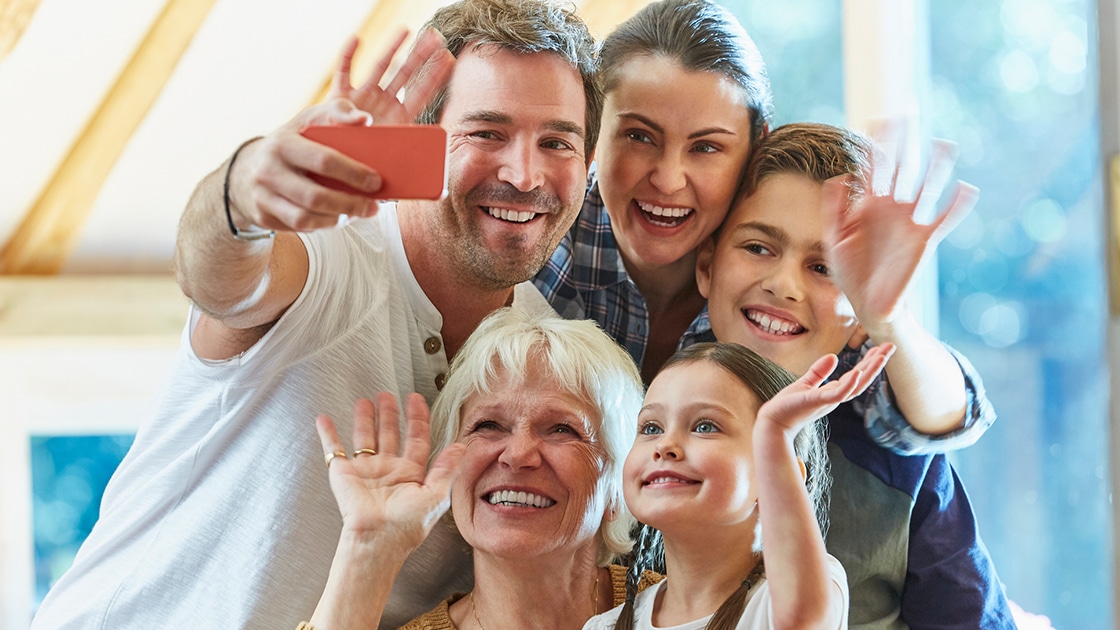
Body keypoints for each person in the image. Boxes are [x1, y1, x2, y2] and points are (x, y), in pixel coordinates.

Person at [30, 1, 601, 628]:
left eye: (557, 142)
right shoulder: (329, 257)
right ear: (422, 141)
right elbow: (214, 274)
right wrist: (245, 189)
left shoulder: (540, 355)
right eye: (487, 133)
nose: (524, 174)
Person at [693, 122, 1017, 628]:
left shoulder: (892, 455)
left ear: (857, 321)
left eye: (823, 268)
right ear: (706, 266)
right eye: (758, 247)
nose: (783, 285)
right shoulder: (650, 407)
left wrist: (888, 320)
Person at [305, 308, 649, 630]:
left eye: (562, 429)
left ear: (618, 484)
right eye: (488, 426)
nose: (517, 455)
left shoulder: (679, 609)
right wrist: (370, 549)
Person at [534, 0, 771, 383]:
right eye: (639, 136)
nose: (668, 180)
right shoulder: (534, 240)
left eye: (706, 147)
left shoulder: (780, 269)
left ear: (755, 148)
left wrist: (884, 319)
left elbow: (891, 427)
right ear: (592, 127)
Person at [587, 341, 895, 630]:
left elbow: (803, 618)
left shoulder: (796, 594)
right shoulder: (603, 626)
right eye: (651, 427)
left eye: (705, 426)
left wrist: (776, 435)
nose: (665, 445)